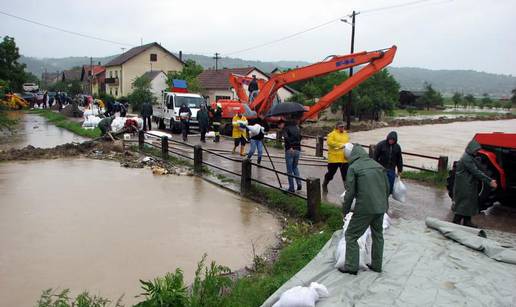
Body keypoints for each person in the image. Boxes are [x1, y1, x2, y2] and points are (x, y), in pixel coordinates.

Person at [341, 143, 390, 275]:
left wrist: (345, 210)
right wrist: (385, 206)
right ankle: (377, 265)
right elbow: (387, 188)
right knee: (378, 235)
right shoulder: (377, 165)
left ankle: (351, 267)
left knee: (351, 235)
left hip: (365, 208)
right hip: (380, 207)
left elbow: (350, 193)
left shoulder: (354, 168)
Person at [452, 139, 497, 227]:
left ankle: (467, 221)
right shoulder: (466, 159)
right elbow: (476, 172)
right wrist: (490, 181)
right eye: (476, 150)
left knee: (469, 203)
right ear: (471, 149)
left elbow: (478, 167)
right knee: (464, 204)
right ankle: (456, 222)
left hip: (469, 184)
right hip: (465, 185)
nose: (477, 152)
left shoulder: (470, 157)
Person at [322, 121, 350, 193]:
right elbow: (330, 142)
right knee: (331, 174)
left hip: (344, 159)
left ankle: (347, 192)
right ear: (337, 126)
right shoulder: (331, 134)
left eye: (343, 126)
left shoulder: (346, 134)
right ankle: (325, 184)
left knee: (346, 175)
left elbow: (348, 144)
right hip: (334, 159)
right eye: (341, 126)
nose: (342, 128)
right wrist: (341, 145)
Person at [279, 119, 302, 192]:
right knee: (295, 167)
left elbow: (286, 138)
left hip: (290, 150)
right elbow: (300, 137)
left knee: (289, 171)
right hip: (298, 149)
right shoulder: (297, 128)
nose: (279, 126)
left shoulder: (286, 128)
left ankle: (291, 188)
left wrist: (290, 147)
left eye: (279, 125)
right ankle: (299, 183)